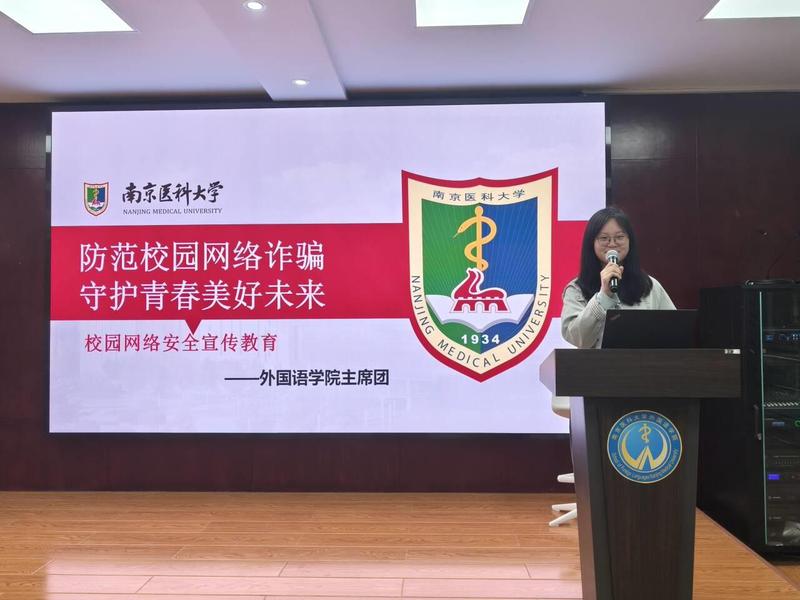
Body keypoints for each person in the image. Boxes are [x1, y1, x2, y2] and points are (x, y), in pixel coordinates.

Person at [561, 206, 675, 348]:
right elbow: (578, 339)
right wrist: (603, 296)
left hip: (643, 362)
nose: (612, 244)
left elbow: (674, 330)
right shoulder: (577, 289)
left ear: (629, 241)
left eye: (619, 237)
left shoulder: (649, 286)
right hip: (600, 363)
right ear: (592, 243)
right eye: (604, 238)